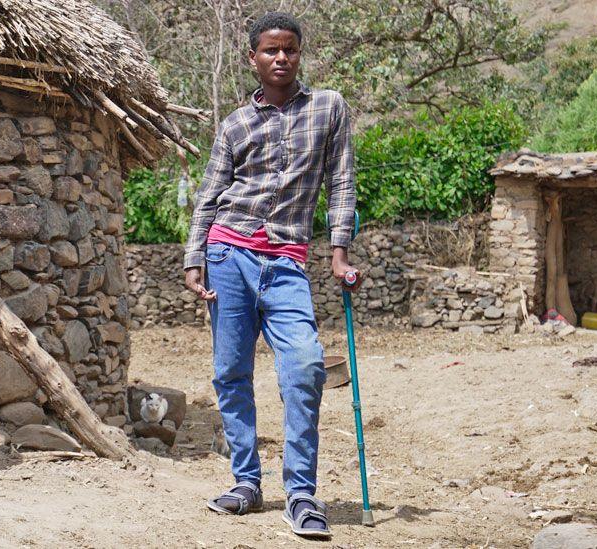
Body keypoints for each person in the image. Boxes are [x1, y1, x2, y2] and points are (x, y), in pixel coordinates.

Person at [182, 11, 358, 540]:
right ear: (253, 58)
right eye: (271, 50)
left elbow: (342, 180)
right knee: (231, 373)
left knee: (305, 367)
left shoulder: (329, 108)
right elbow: (210, 196)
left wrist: (339, 251)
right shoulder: (235, 123)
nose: (281, 58)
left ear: (300, 55)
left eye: (291, 50)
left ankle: (301, 494)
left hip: (286, 262)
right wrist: (194, 258)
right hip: (227, 255)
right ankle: (246, 483)